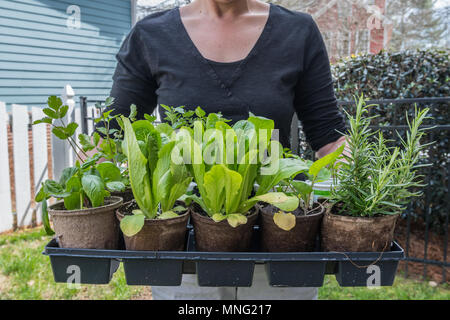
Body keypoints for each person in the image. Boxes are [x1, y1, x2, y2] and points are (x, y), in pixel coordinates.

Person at [97, 0, 346, 300]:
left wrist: (366, 188)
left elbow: (329, 137)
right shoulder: (151, 35)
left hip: (278, 236)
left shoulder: (297, 31)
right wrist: (87, 199)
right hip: (185, 244)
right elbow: (111, 137)